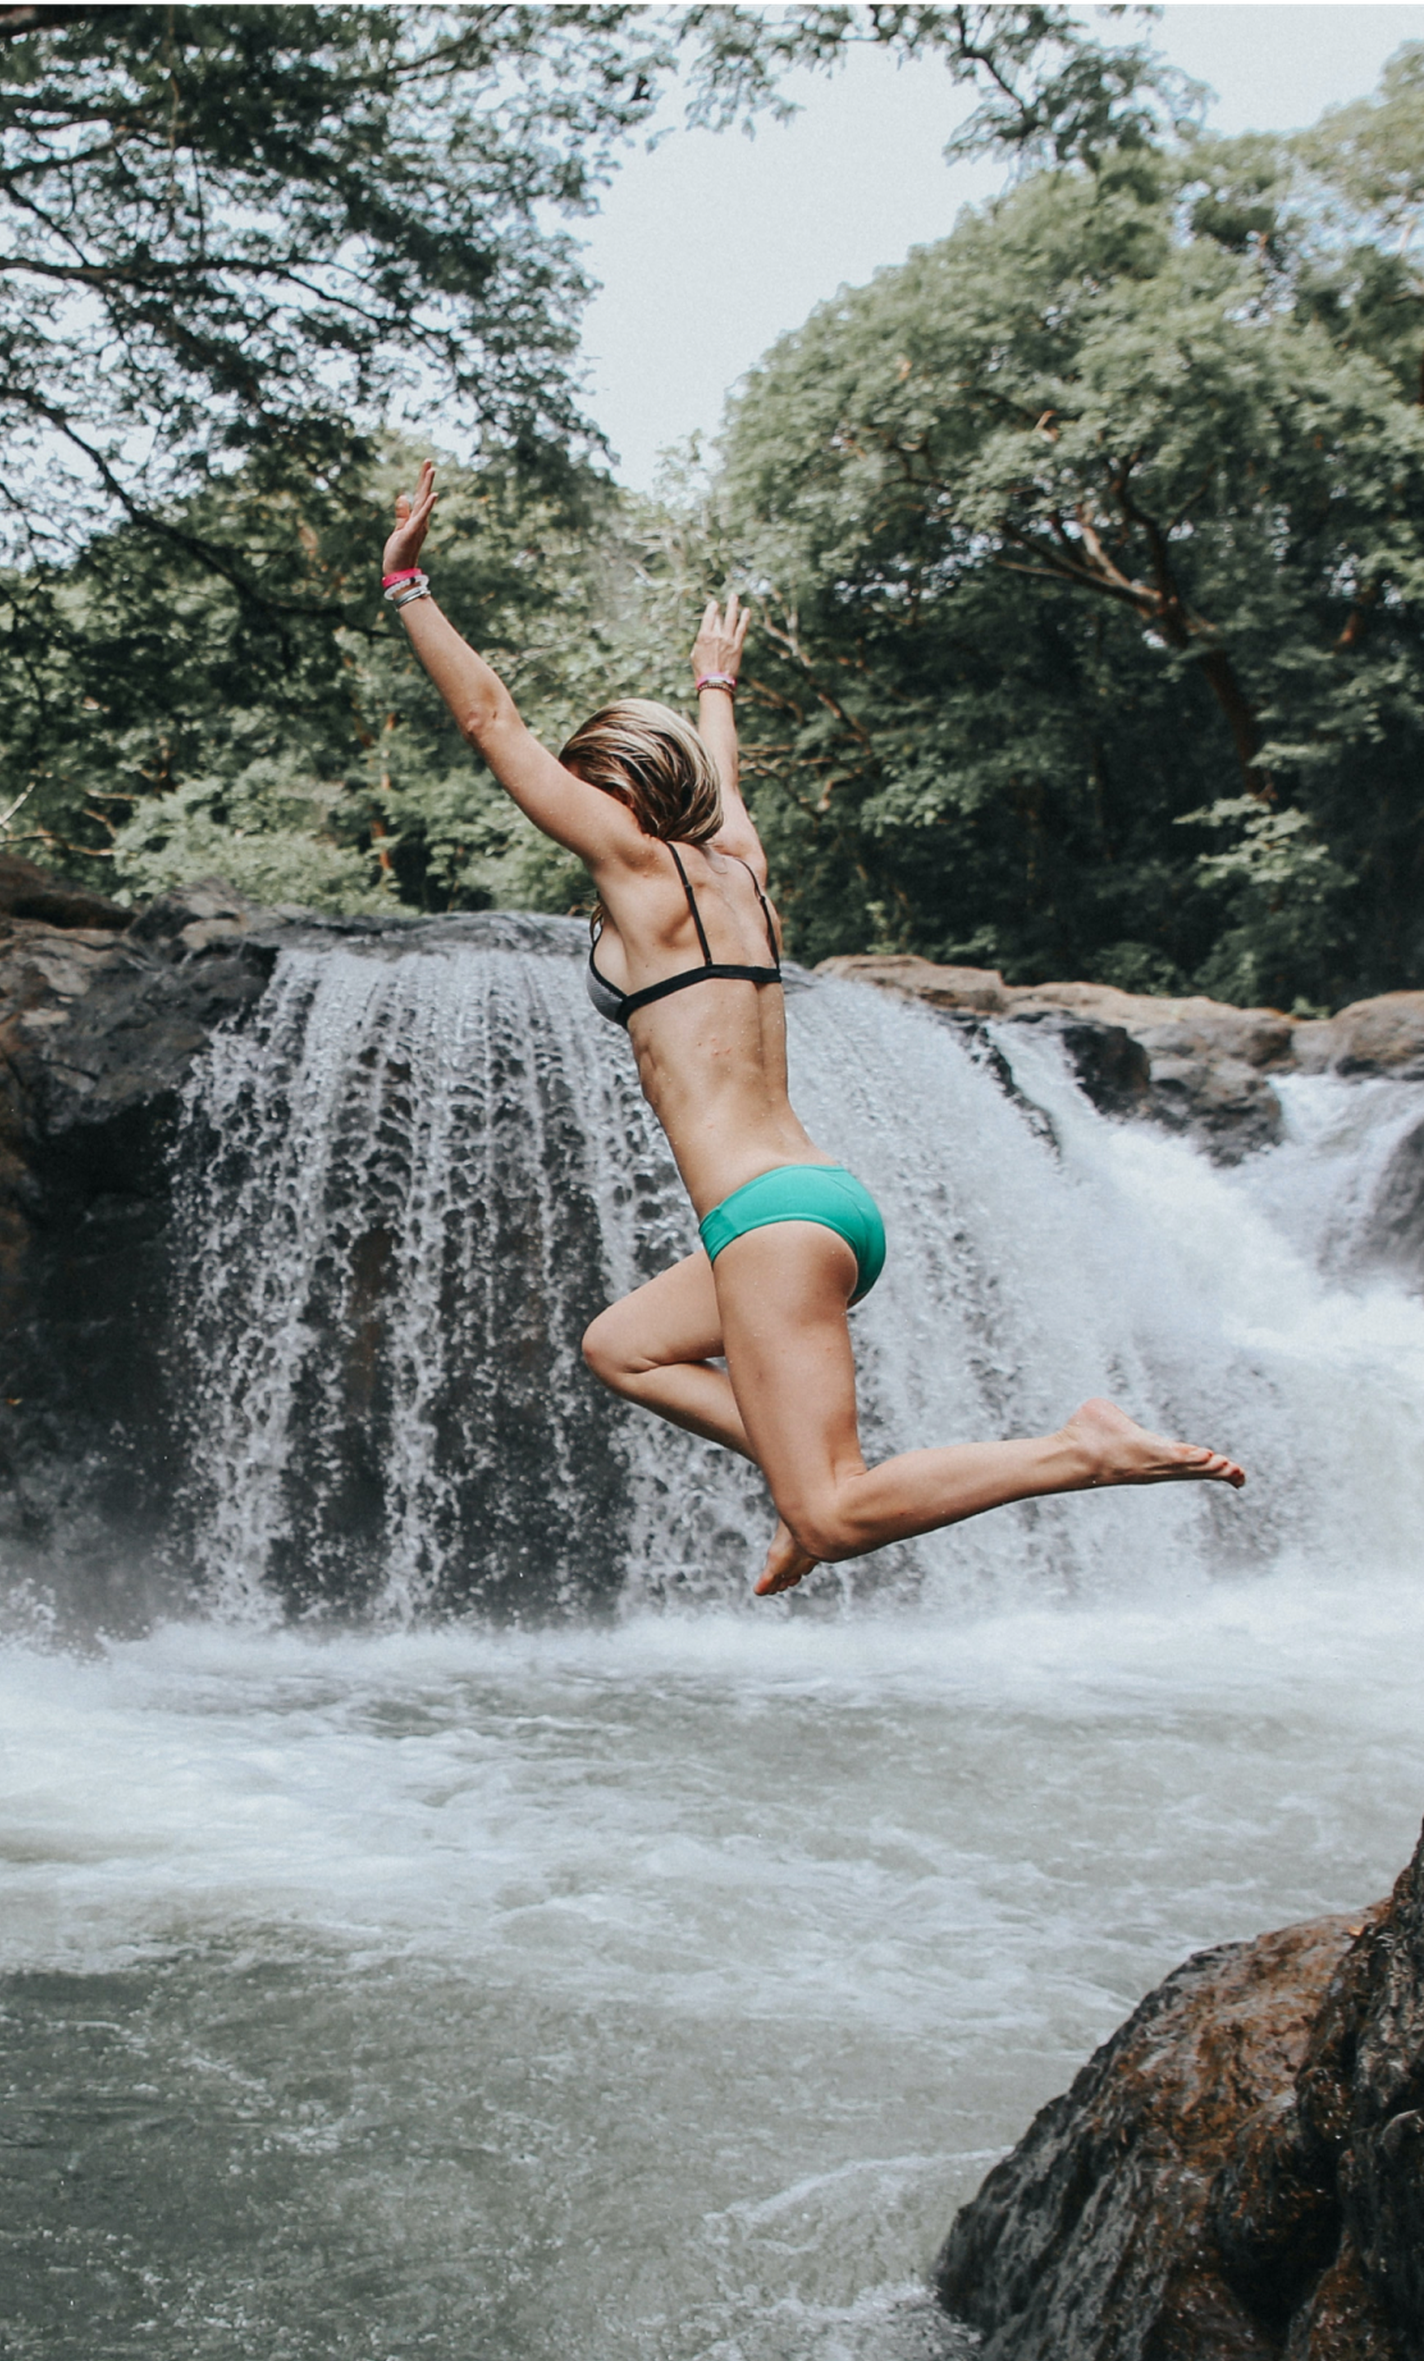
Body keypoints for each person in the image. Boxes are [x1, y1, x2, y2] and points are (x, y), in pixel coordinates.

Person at [380, 461, 1244, 1593]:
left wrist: (408, 586)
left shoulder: (638, 875)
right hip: (820, 1203)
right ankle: (793, 1474)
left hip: (769, 1226)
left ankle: (1075, 1448)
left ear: (613, 799)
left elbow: (493, 719)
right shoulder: (739, 873)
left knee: (836, 1517)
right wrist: (713, 686)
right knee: (620, 1346)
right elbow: (727, 791)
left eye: (587, 796)